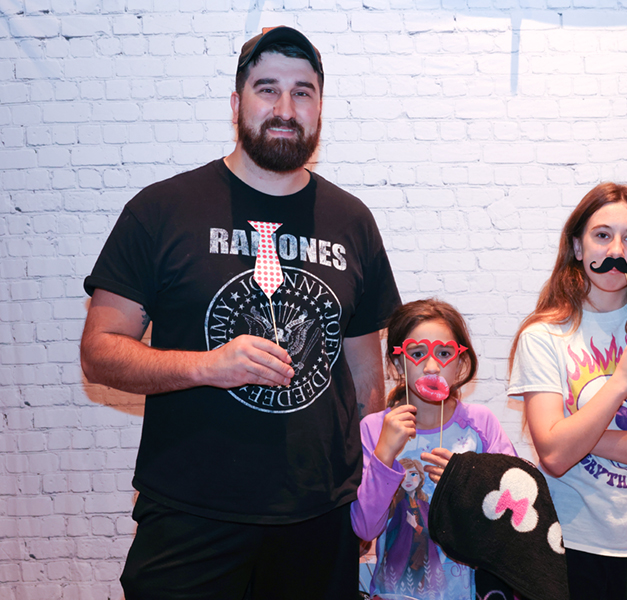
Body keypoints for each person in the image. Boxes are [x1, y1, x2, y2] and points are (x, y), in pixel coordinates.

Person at [79, 26, 400, 600]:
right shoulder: (162, 209)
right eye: (267, 88)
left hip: (318, 518)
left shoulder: (353, 221)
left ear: (320, 108)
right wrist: (207, 366)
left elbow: (366, 376)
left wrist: (365, 491)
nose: (284, 108)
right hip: (190, 512)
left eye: (303, 92)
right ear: (236, 103)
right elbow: (100, 352)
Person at [507, 182, 627, 600]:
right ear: (578, 247)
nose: (616, 249)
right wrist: (620, 383)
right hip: (569, 548)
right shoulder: (543, 336)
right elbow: (556, 457)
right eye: (602, 235)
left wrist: (580, 436)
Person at [351, 299, 516, 600]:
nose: (431, 366)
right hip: (394, 593)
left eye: (444, 353)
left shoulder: (480, 425)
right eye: (417, 353)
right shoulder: (375, 429)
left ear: (460, 362)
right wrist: (385, 454)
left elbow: (514, 513)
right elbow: (364, 528)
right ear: (397, 363)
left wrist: (467, 480)